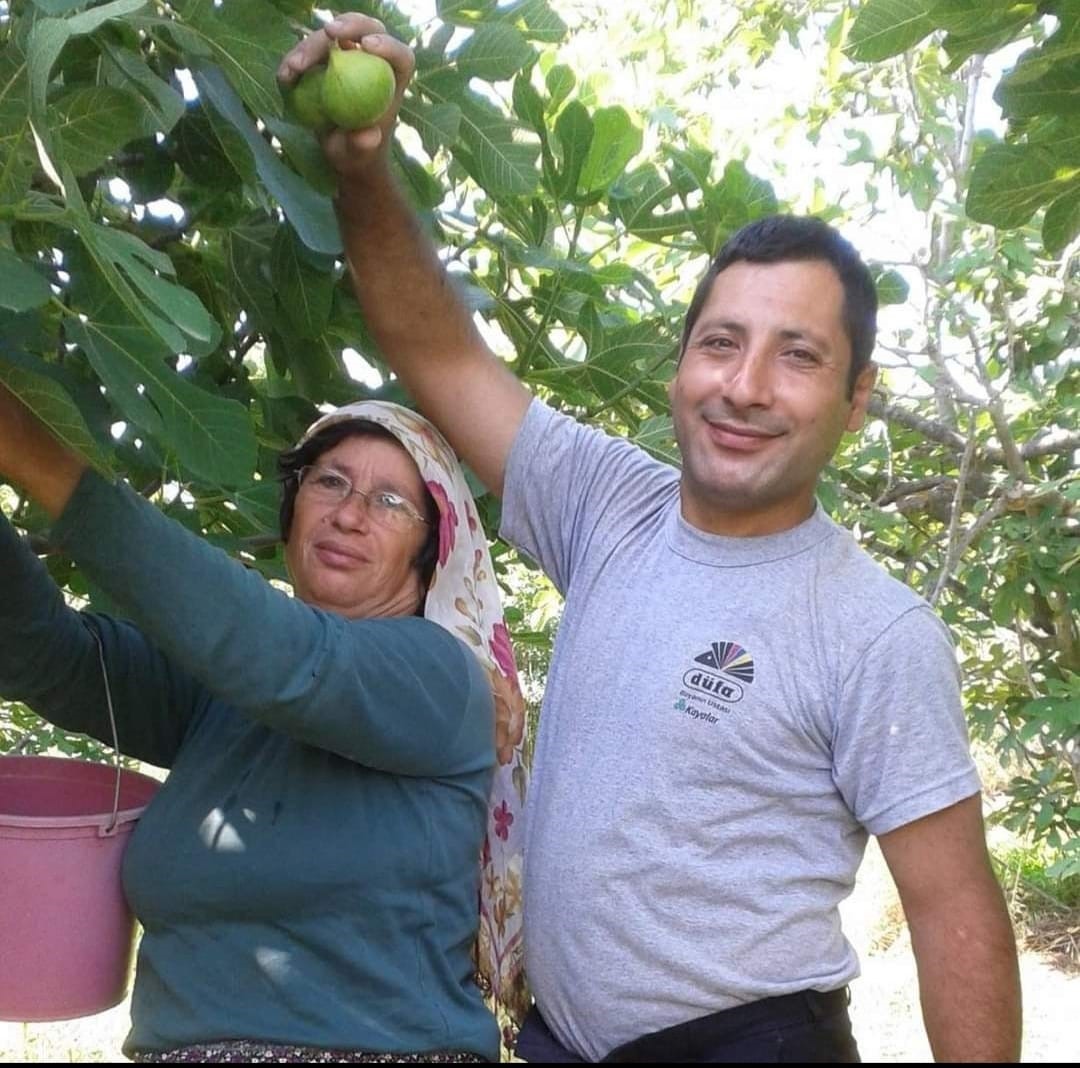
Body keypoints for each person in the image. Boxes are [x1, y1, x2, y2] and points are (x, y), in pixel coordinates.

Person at [278, 13, 1023, 1063]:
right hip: (559, 1040)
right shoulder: (607, 503)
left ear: (857, 402)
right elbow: (434, 349)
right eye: (721, 342)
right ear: (680, 369)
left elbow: (954, 913)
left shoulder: (874, 629)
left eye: (799, 357)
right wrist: (361, 164)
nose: (746, 386)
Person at [0, 390, 529, 1062]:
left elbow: (282, 658)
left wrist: (27, 446)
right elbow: (51, 659)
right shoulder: (224, 697)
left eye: (392, 502)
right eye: (330, 481)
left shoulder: (442, 679)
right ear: (292, 510)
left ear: (432, 553)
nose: (349, 514)